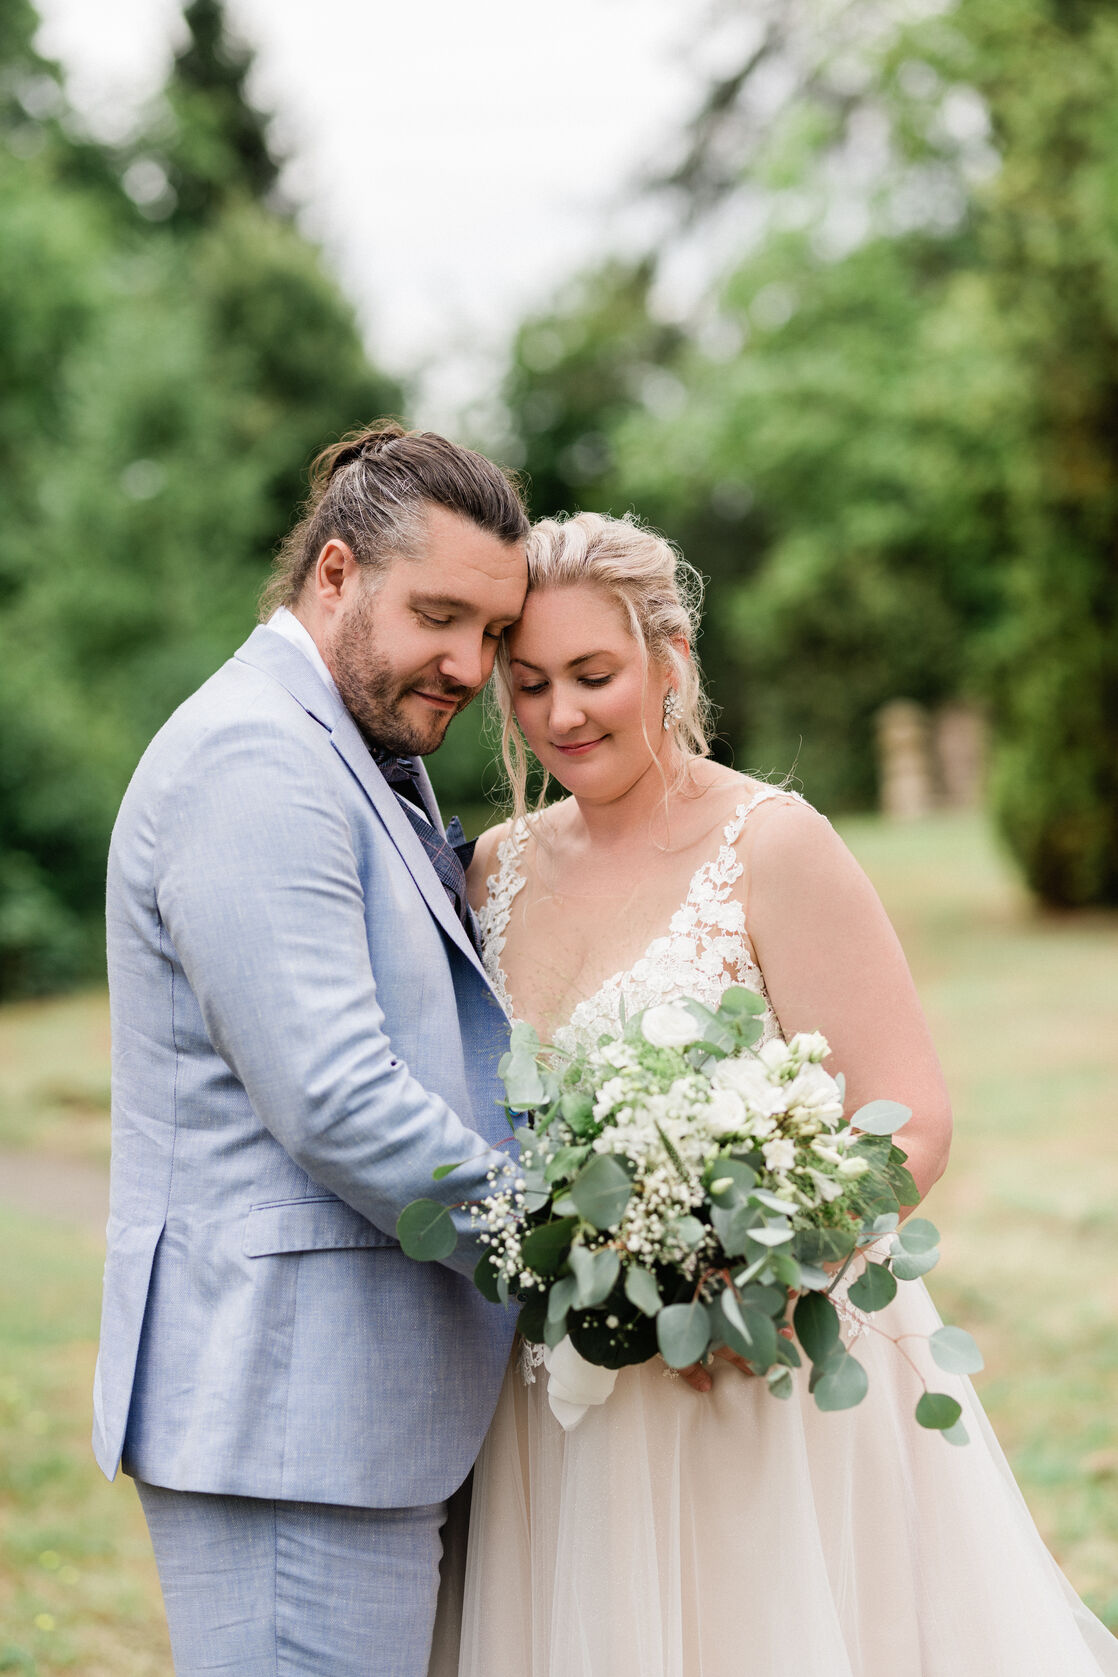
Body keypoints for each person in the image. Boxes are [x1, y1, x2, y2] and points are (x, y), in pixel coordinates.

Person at [449, 510, 1118, 1677]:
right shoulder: (493, 868)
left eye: (593, 674)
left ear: (671, 660)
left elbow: (910, 1119)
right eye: (530, 682)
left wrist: (746, 1273)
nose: (561, 714)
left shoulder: (771, 843)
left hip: (754, 1377)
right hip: (563, 1397)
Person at [92, 422, 529, 1677]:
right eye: (438, 615)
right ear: (333, 574)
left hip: (353, 1412)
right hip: (286, 1412)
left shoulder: (354, 743)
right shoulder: (255, 756)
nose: (467, 663)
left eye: (491, 634)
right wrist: (568, 1245)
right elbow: (337, 1099)